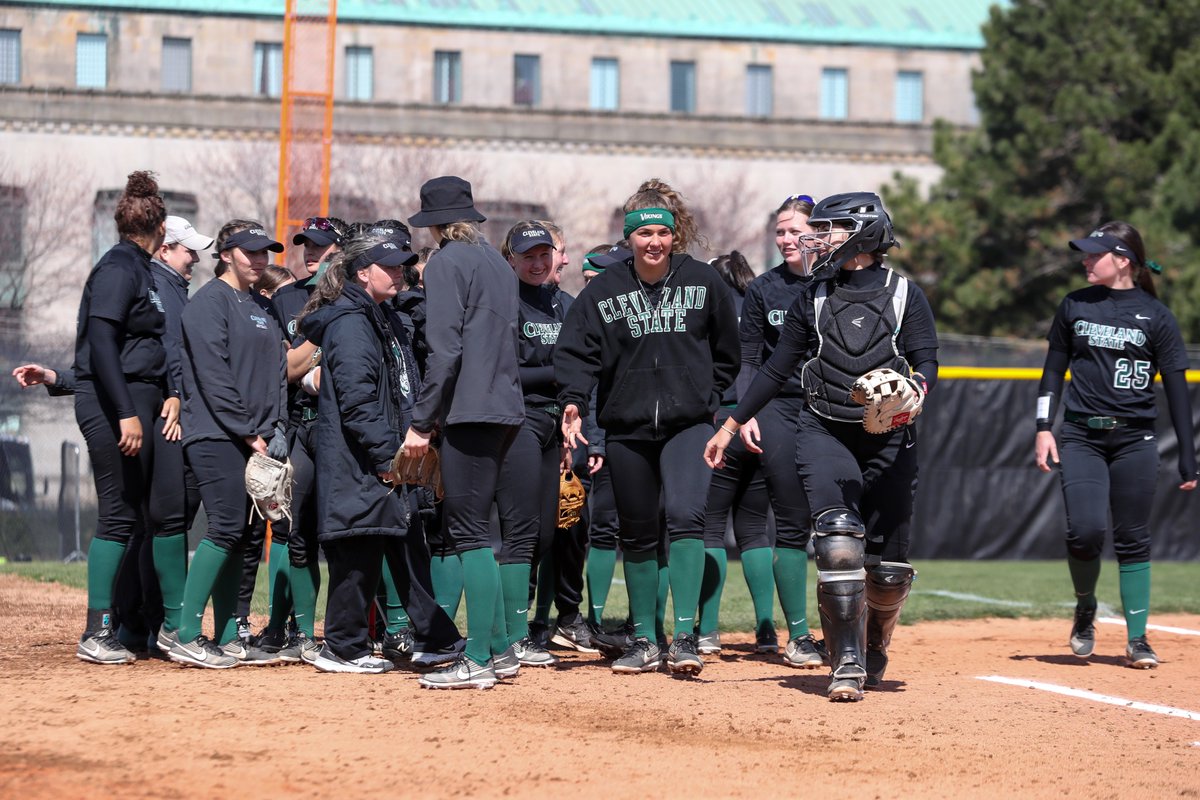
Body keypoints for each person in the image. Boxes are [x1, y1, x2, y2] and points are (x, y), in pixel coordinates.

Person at [705, 192, 938, 702]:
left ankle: (875, 640)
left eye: (828, 229)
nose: (815, 238)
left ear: (862, 232)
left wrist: (914, 390)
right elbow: (776, 366)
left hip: (890, 436)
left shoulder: (904, 294)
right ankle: (847, 660)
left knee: (888, 568)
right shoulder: (812, 293)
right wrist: (731, 422)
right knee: (836, 540)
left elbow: (927, 361)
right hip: (824, 427)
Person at [556, 178, 740, 675]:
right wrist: (574, 402)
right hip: (627, 428)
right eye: (643, 234)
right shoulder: (605, 290)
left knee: (685, 517)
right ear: (629, 237)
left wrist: (710, 398)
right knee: (636, 533)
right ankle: (644, 639)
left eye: (661, 232)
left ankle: (683, 637)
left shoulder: (704, 281)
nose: (653, 242)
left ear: (673, 234)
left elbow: (729, 351)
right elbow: (576, 354)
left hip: (688, 425)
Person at [1035, 221, 1197, 669]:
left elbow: (1179, 391)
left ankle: (1138, 638)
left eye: (1094, 254)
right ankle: (1085, 606)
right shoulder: (1074, 305)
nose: (1085, 260)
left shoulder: (1157, 316)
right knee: (1084, 532)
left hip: (1135, 439)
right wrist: (1043, 426)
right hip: (1082, 435)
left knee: (1132, 538)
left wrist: (1189, 455)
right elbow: (1052, 372)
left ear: (1122, 260)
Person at [296, 232, 440, 673]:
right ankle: (343, 647)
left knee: (384, 547)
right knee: (355, 552)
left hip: (380, 455)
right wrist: (385, 457)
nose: (400, 272)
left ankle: (424, 638)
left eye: (401, 265)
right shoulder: (351, 323)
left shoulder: (379, 315)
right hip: (362, 459)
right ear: (362, 273)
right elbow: (358, 401)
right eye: (390, 266)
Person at [403, 176, 525, 690]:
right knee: (480, 532)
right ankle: (498, 650)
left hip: (468, 411)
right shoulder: (498, 262)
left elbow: (445, 350)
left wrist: (419, 422)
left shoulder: (448, 262)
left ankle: (476, 658)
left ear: (433, 224)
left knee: (469, 534)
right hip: (504, 407)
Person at [165, 219, 288, 669]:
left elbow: (276, 371)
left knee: (240, 538)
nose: (259, 260)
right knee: (225, 528)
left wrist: (274, 427)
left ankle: (227, 633)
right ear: (226, 253)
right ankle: (185, 632)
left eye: (264, 253)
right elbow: (215, 378)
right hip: (215, 434)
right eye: (250, 252)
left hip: (254, 437)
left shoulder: (260, 305)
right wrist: (248, 431)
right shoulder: (207, 304)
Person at [69, 171, 169, 665]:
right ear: (162, 229)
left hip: (135, 400)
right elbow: (102, 344)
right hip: (113, 402)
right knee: (116, 512)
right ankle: (96, 630)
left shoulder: (140, 268)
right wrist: (126, 413)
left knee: (132, 514)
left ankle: (126, 623)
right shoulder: (119, 267)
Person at [733, 194, 825, 668]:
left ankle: (844, 626)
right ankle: (800, 635)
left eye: (797, 231)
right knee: (792, 521)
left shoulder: (837, 284)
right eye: (781, 232)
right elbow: (750, 360)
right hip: (778, 408)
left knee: (835, 521)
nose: (788, 239)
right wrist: (746, 412)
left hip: (832, 411)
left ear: (819, 234)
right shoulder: (764, 289)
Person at [696, 250, 774, 655]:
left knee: (709, 528)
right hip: (761, 424)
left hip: (722, 423)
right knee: (755, 530)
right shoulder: (761, 302)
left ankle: (707, 630)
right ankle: (767, 631)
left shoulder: (711, 306)